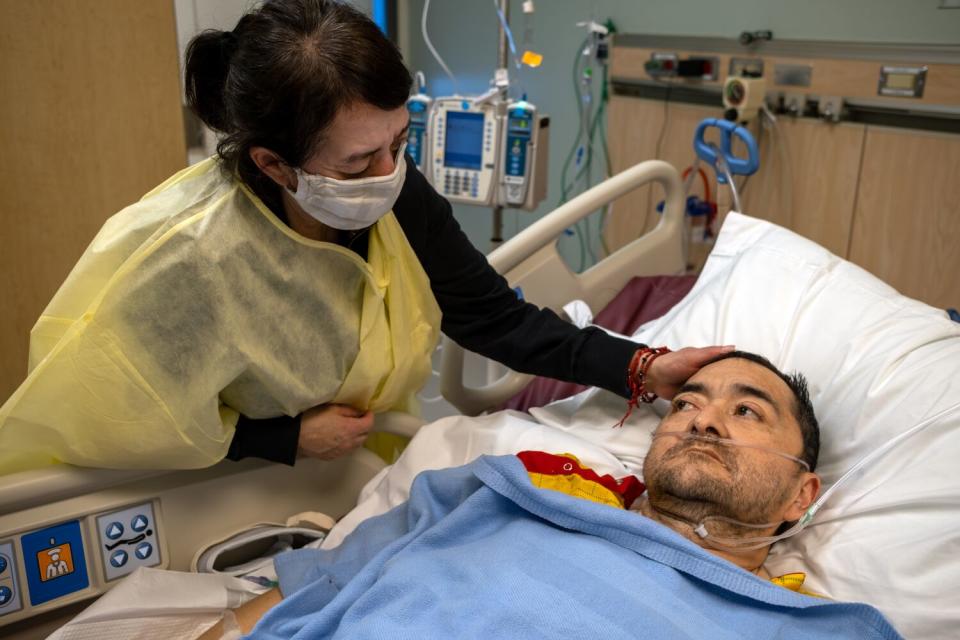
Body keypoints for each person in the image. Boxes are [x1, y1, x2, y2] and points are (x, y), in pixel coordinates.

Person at [0, 0, 727, 475]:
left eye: (399, 142)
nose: (390, 173)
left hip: (346, 471)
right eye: (357, 160)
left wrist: (641, 367)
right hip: (209, 483)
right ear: (273, 163)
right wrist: (280, 439)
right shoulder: (191, 260)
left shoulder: (393, 195)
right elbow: (116, 423)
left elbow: (493, 318)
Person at [197, 351, 901, 639]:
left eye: (747, 412)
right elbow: (304, 593)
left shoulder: (816, 628)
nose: (704, 418)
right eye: (686, 403)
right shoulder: (519, 490)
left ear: (799, 495)